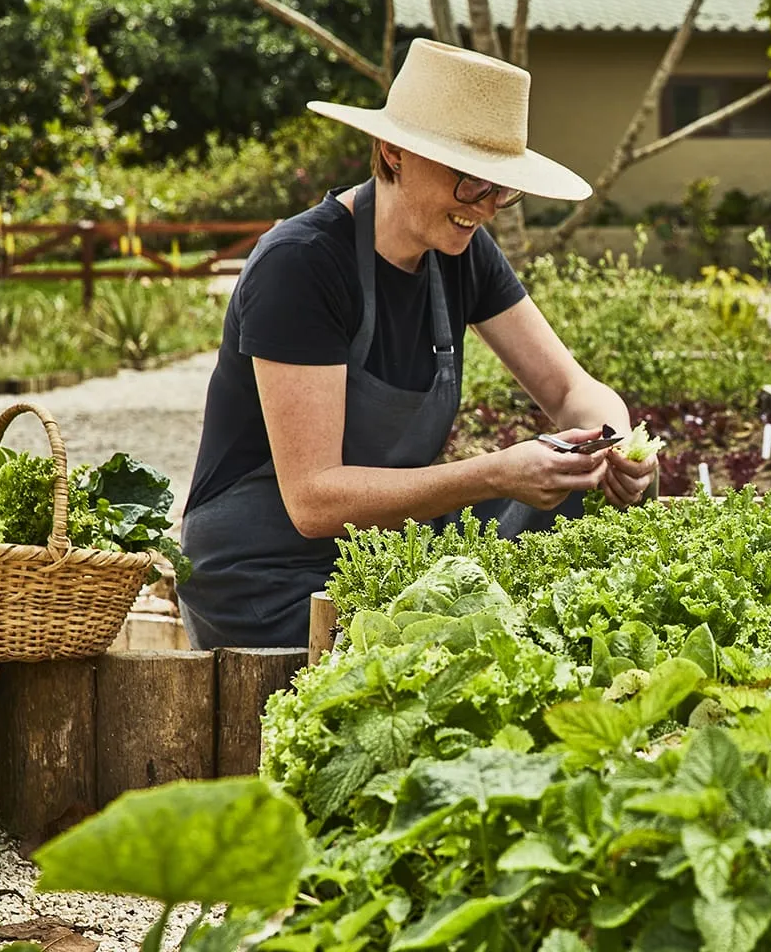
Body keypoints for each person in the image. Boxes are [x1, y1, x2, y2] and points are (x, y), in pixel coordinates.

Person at [177, 40, 658, 649]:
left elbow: (569, 389)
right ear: (393, 151)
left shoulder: (460, 248)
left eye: (500, 189)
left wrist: (618, 444)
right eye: (468, 183)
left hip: (381, 551)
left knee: (575, 511)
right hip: (267, 571)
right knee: (477, 626)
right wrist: (495, 473)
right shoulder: (300, 265)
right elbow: (313, 501)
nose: (483, 208)